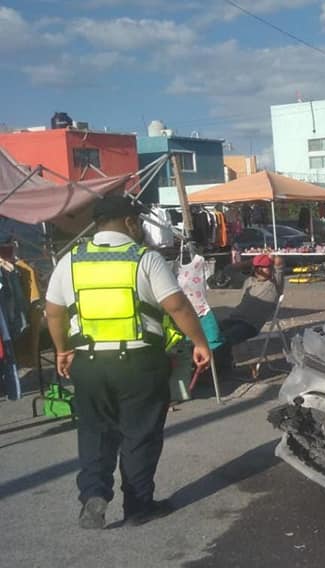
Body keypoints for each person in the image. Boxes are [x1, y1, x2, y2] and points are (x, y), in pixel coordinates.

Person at [45, 195, 212, 530]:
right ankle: (138, 506)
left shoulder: (70, 261)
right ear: (130, 223)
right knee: (140, 434)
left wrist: (62, 350)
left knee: (95, 431)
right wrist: (199, 342)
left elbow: (54, 311)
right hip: (138, 361)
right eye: (137, 222)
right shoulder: (145, 259)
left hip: (89, 362)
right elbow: (177, 307)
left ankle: (94, 494)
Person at [218, 253, 279, 347]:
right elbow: (228, 269)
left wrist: (270, 256)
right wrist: (254, 261)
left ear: (272, 268)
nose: (260, 270)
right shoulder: (248, 281)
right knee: (209, 334)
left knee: (222, 341)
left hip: (249, 325)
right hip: (233, 319)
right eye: (258, 268)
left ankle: (224, 360)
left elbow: (279, 263)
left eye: (264, 267)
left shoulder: (274, 284)